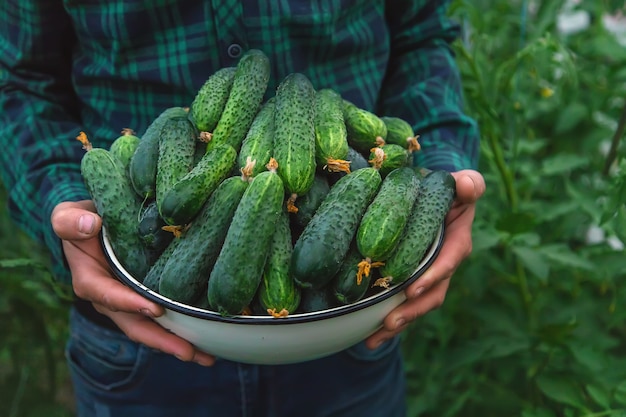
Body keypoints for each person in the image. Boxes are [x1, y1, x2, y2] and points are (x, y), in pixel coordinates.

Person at [0, 1, 485, 416]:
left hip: (345, 321)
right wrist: (62, 201)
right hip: (136, 322)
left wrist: (442, 177)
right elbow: (19, 79)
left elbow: (420, 37)